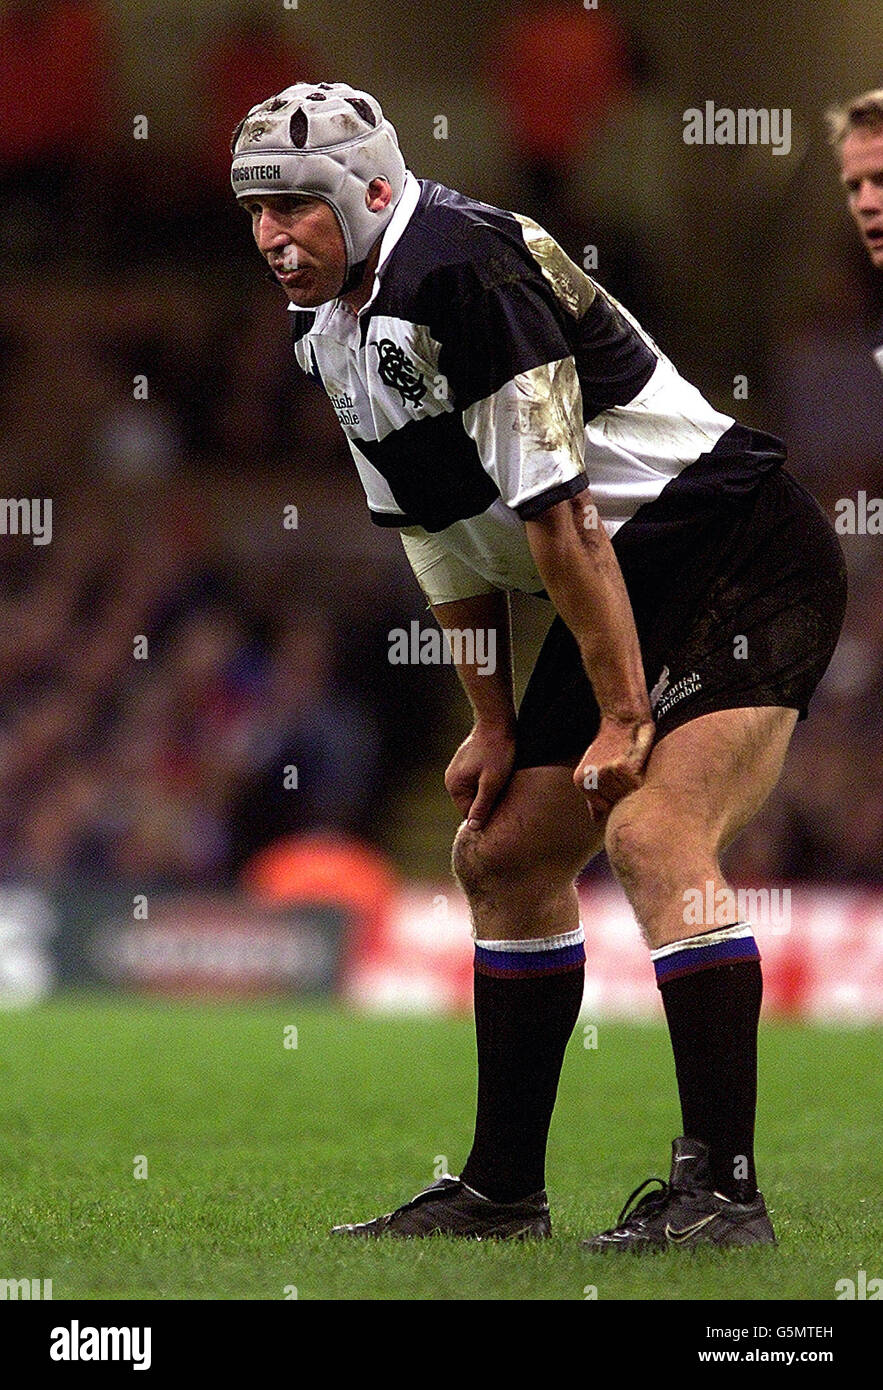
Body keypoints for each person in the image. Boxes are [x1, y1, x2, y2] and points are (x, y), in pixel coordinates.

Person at [230, 83, 847, 1249]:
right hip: (622, 576)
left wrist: (621, 714)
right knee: (502, 851)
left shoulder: (464, 270)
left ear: (371, 192)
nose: (273, 235)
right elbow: (437, 535)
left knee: (654, 833)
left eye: (298, 207)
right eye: (257, 209)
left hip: (736, 546)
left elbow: (561, 518)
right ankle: (503, 1192)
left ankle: (725, 1192)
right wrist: (494, 723)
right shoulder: (329, 333)